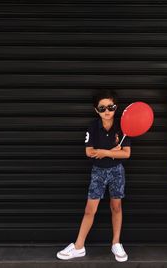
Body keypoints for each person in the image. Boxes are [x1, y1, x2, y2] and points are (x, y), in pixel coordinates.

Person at [57, 89, 131, 262]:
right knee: (90, 209)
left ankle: (116, 243)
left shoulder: (123, 127)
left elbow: (126, 153)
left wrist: (104, 152)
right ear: (96, 110)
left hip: (117, 171)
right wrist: (110, 152)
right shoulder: (93, 126)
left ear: (116, 107)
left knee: (116, 207)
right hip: (98, 172)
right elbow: (89, 152)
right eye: (102, 108)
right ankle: (79, 246)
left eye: (111, 107)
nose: (107, 111)